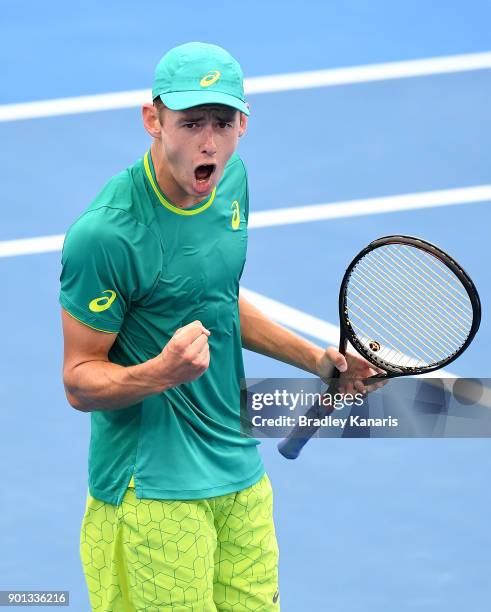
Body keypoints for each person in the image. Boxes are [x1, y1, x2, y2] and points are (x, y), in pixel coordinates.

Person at [60, 41, 379, 611]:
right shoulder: (106, 235)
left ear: (243, 125)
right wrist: (161, 372)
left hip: (238, 474)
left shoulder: (232, 187)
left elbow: (217, 300)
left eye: (222, 122)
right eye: (190, 122)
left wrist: (317, 360)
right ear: (152, 120)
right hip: (150, 493)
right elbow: (79, 380)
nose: (209, 140)